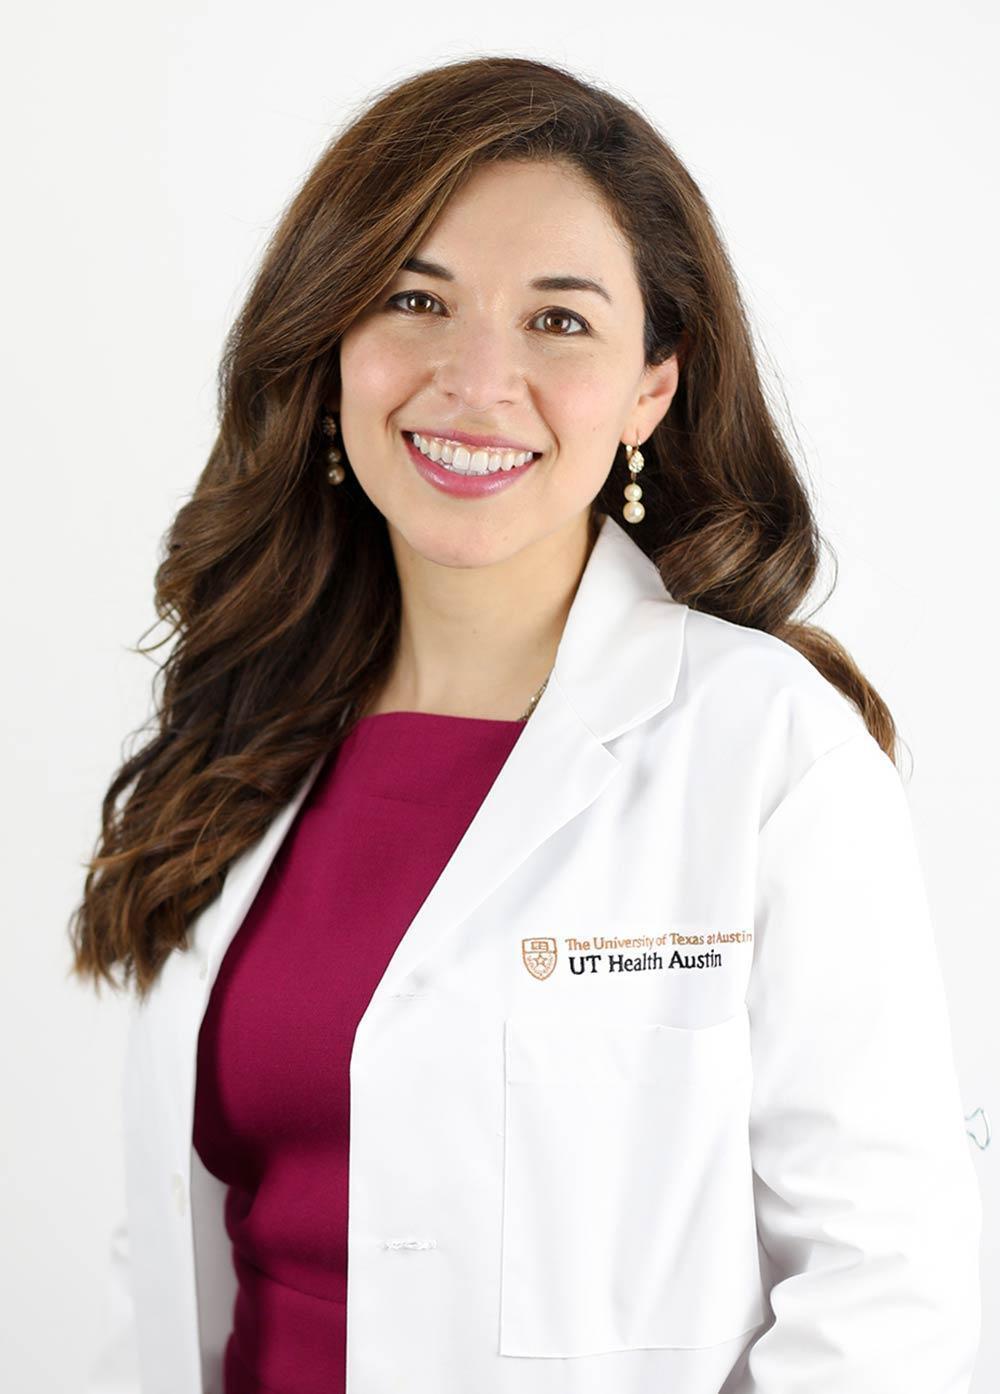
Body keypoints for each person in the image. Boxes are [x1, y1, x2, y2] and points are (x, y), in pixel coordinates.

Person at [70, 53, 982, 1394]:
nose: (474, 378)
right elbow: (172, 1249)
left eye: (559, 323)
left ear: (651, 390)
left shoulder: (767, 751)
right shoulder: (245, 735)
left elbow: (887, 1294)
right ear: (330, 345)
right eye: (413, 298)